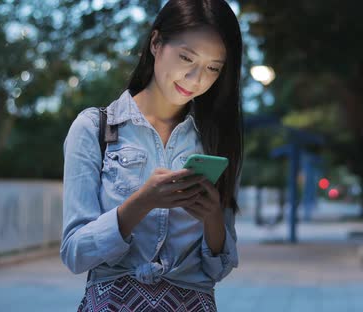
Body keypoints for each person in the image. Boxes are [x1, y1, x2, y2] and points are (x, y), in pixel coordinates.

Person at [60, 0, 243, 311]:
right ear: (156, 43)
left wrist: (212, 217)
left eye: (213, 68)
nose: (196, 78)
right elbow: (75, 253)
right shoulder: (95, 128)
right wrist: (143, 202)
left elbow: (218, 268)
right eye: (187, 58)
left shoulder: (217, 140)